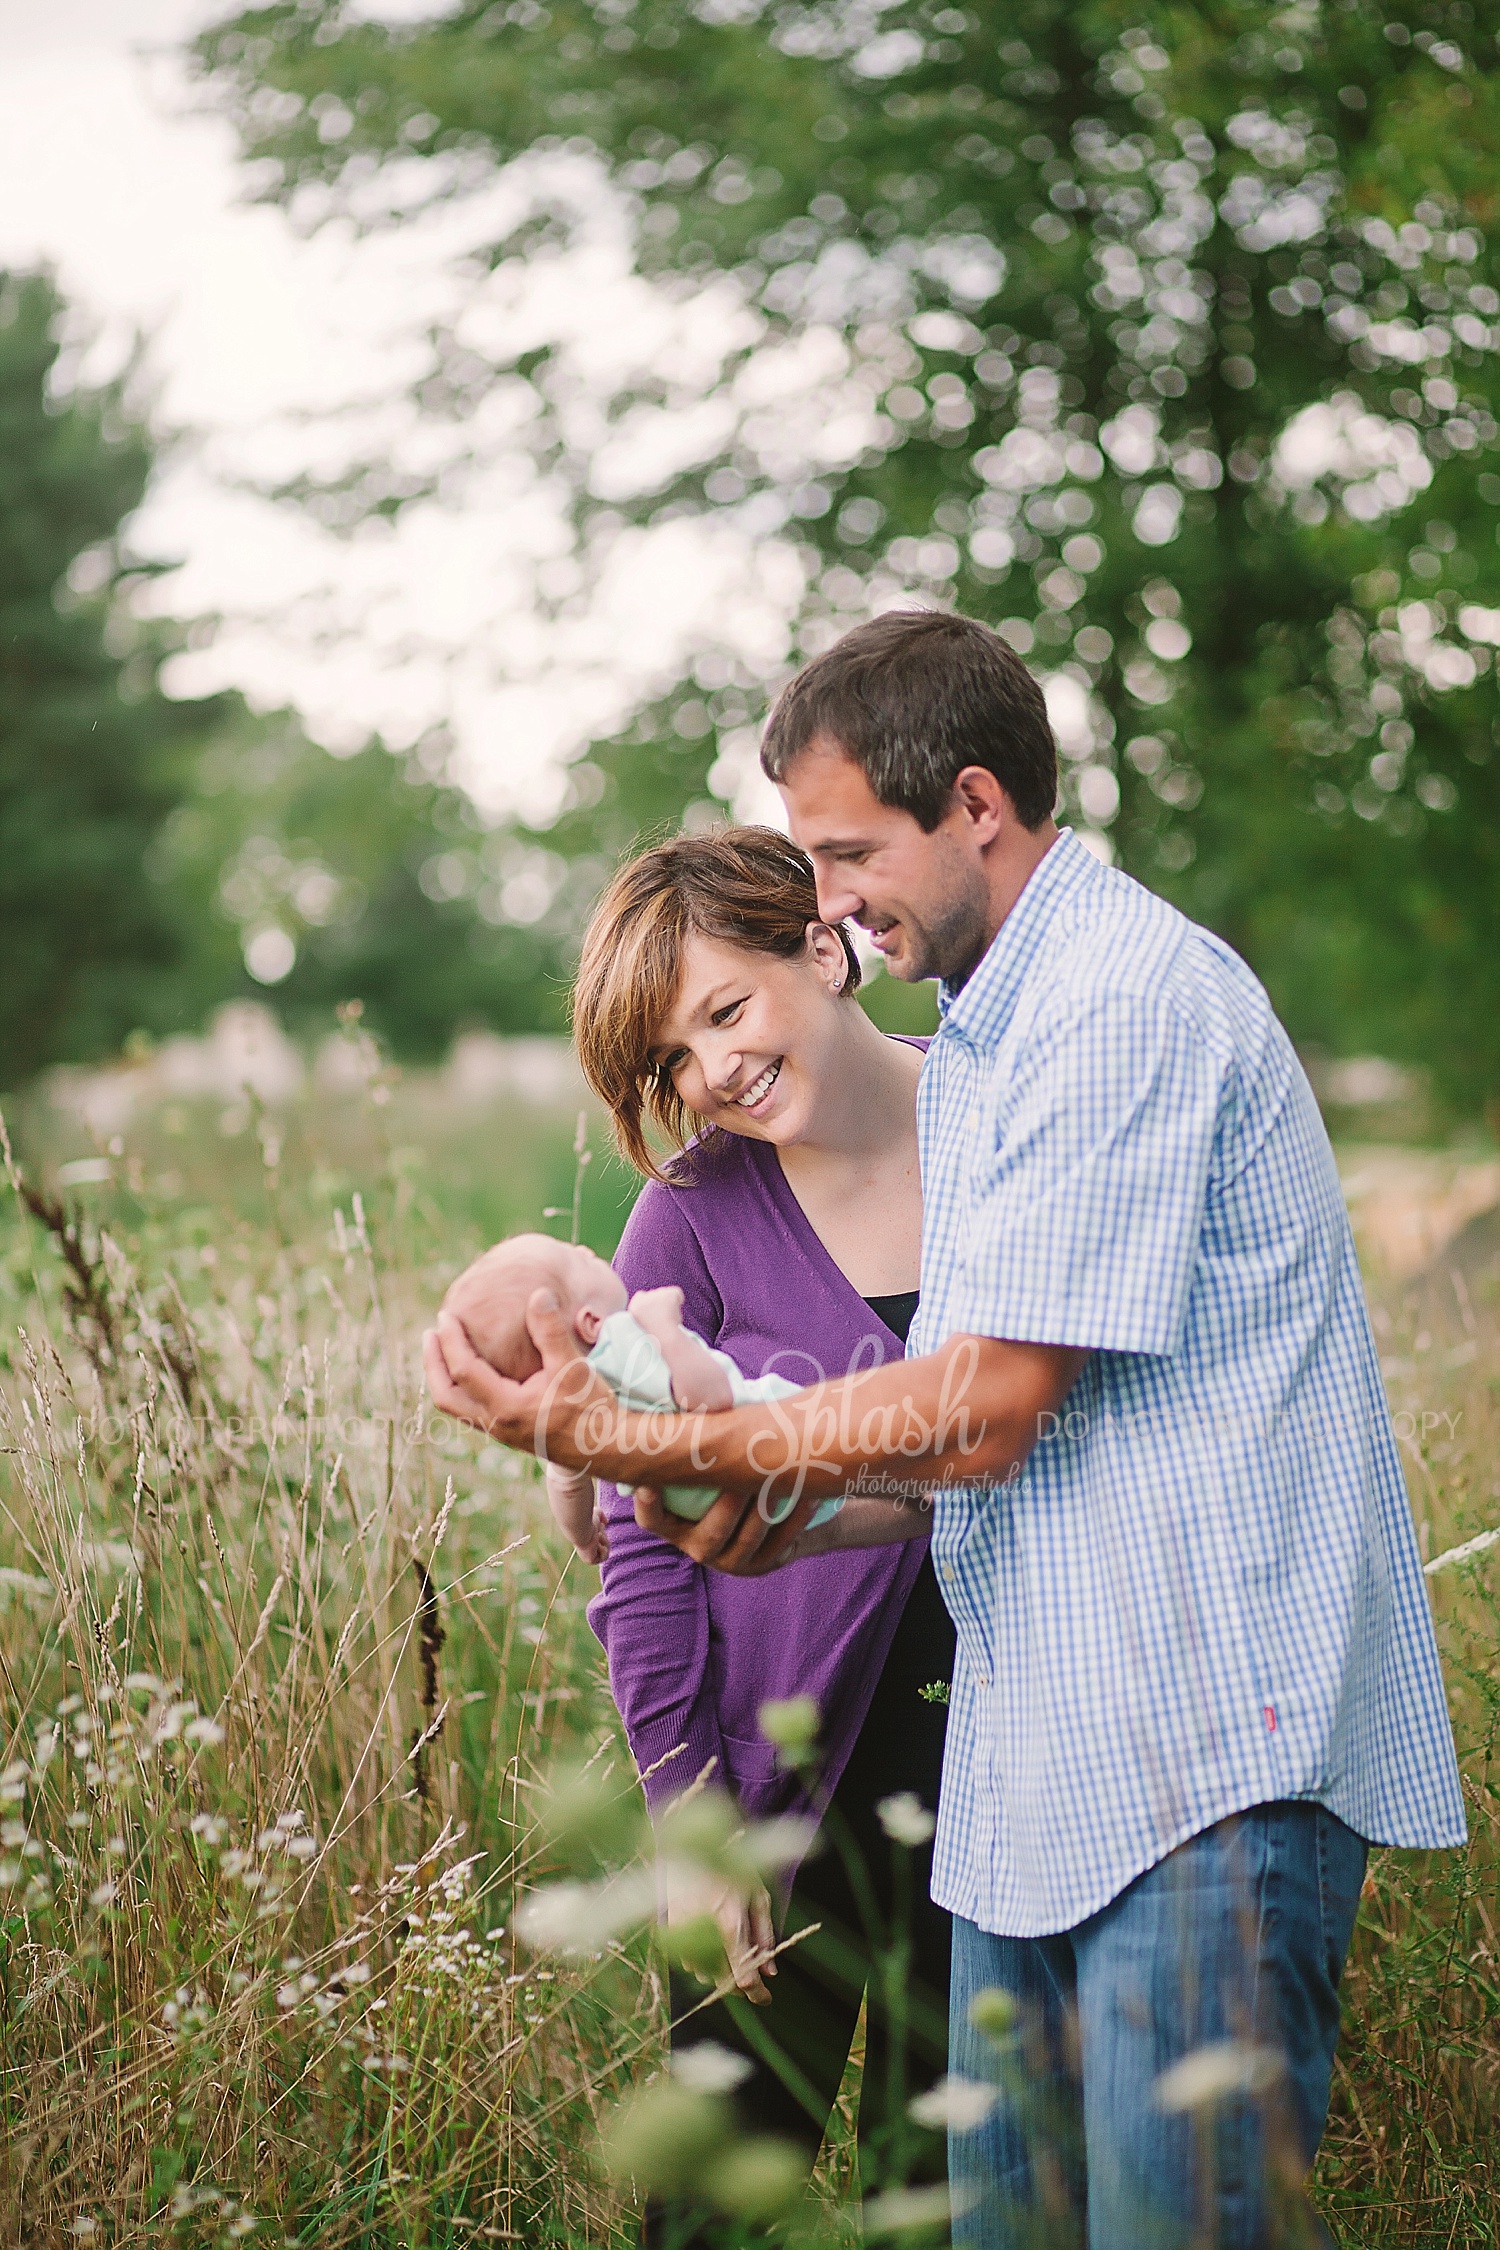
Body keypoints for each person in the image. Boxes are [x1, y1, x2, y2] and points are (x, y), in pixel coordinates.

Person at [427, 610, 1464, 2249]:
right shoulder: (980, 1061)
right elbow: (969, 1471)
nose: (824, 894)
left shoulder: (1102, 1011)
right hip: (1016, 1769)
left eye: (843, 855)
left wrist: (691, 1451)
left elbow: (984, 1411)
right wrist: (674, 1469)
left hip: (1190, 1745)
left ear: (974, 804)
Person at [529, 829, 956, 2211]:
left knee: (941, 2180)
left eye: (724, 1008)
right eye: (671, 1057)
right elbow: (641, 1562)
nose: (710, 1070)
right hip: (774, 1797)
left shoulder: (1005, 1129)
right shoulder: (691, 1216)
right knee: (712, 2204)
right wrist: (690, 1825)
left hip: (1010, 1777)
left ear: (824, 945)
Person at [439, 1230, 842, 1562]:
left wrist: (584, 1537)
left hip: (722, 1516)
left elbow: (565, 1486)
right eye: (578, 1261)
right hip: (779, 1454)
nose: (585, 1248)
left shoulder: (567, 1415)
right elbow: (713, 1400)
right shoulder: (623, 1343)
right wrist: (663, 1327)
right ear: (591, 1322)